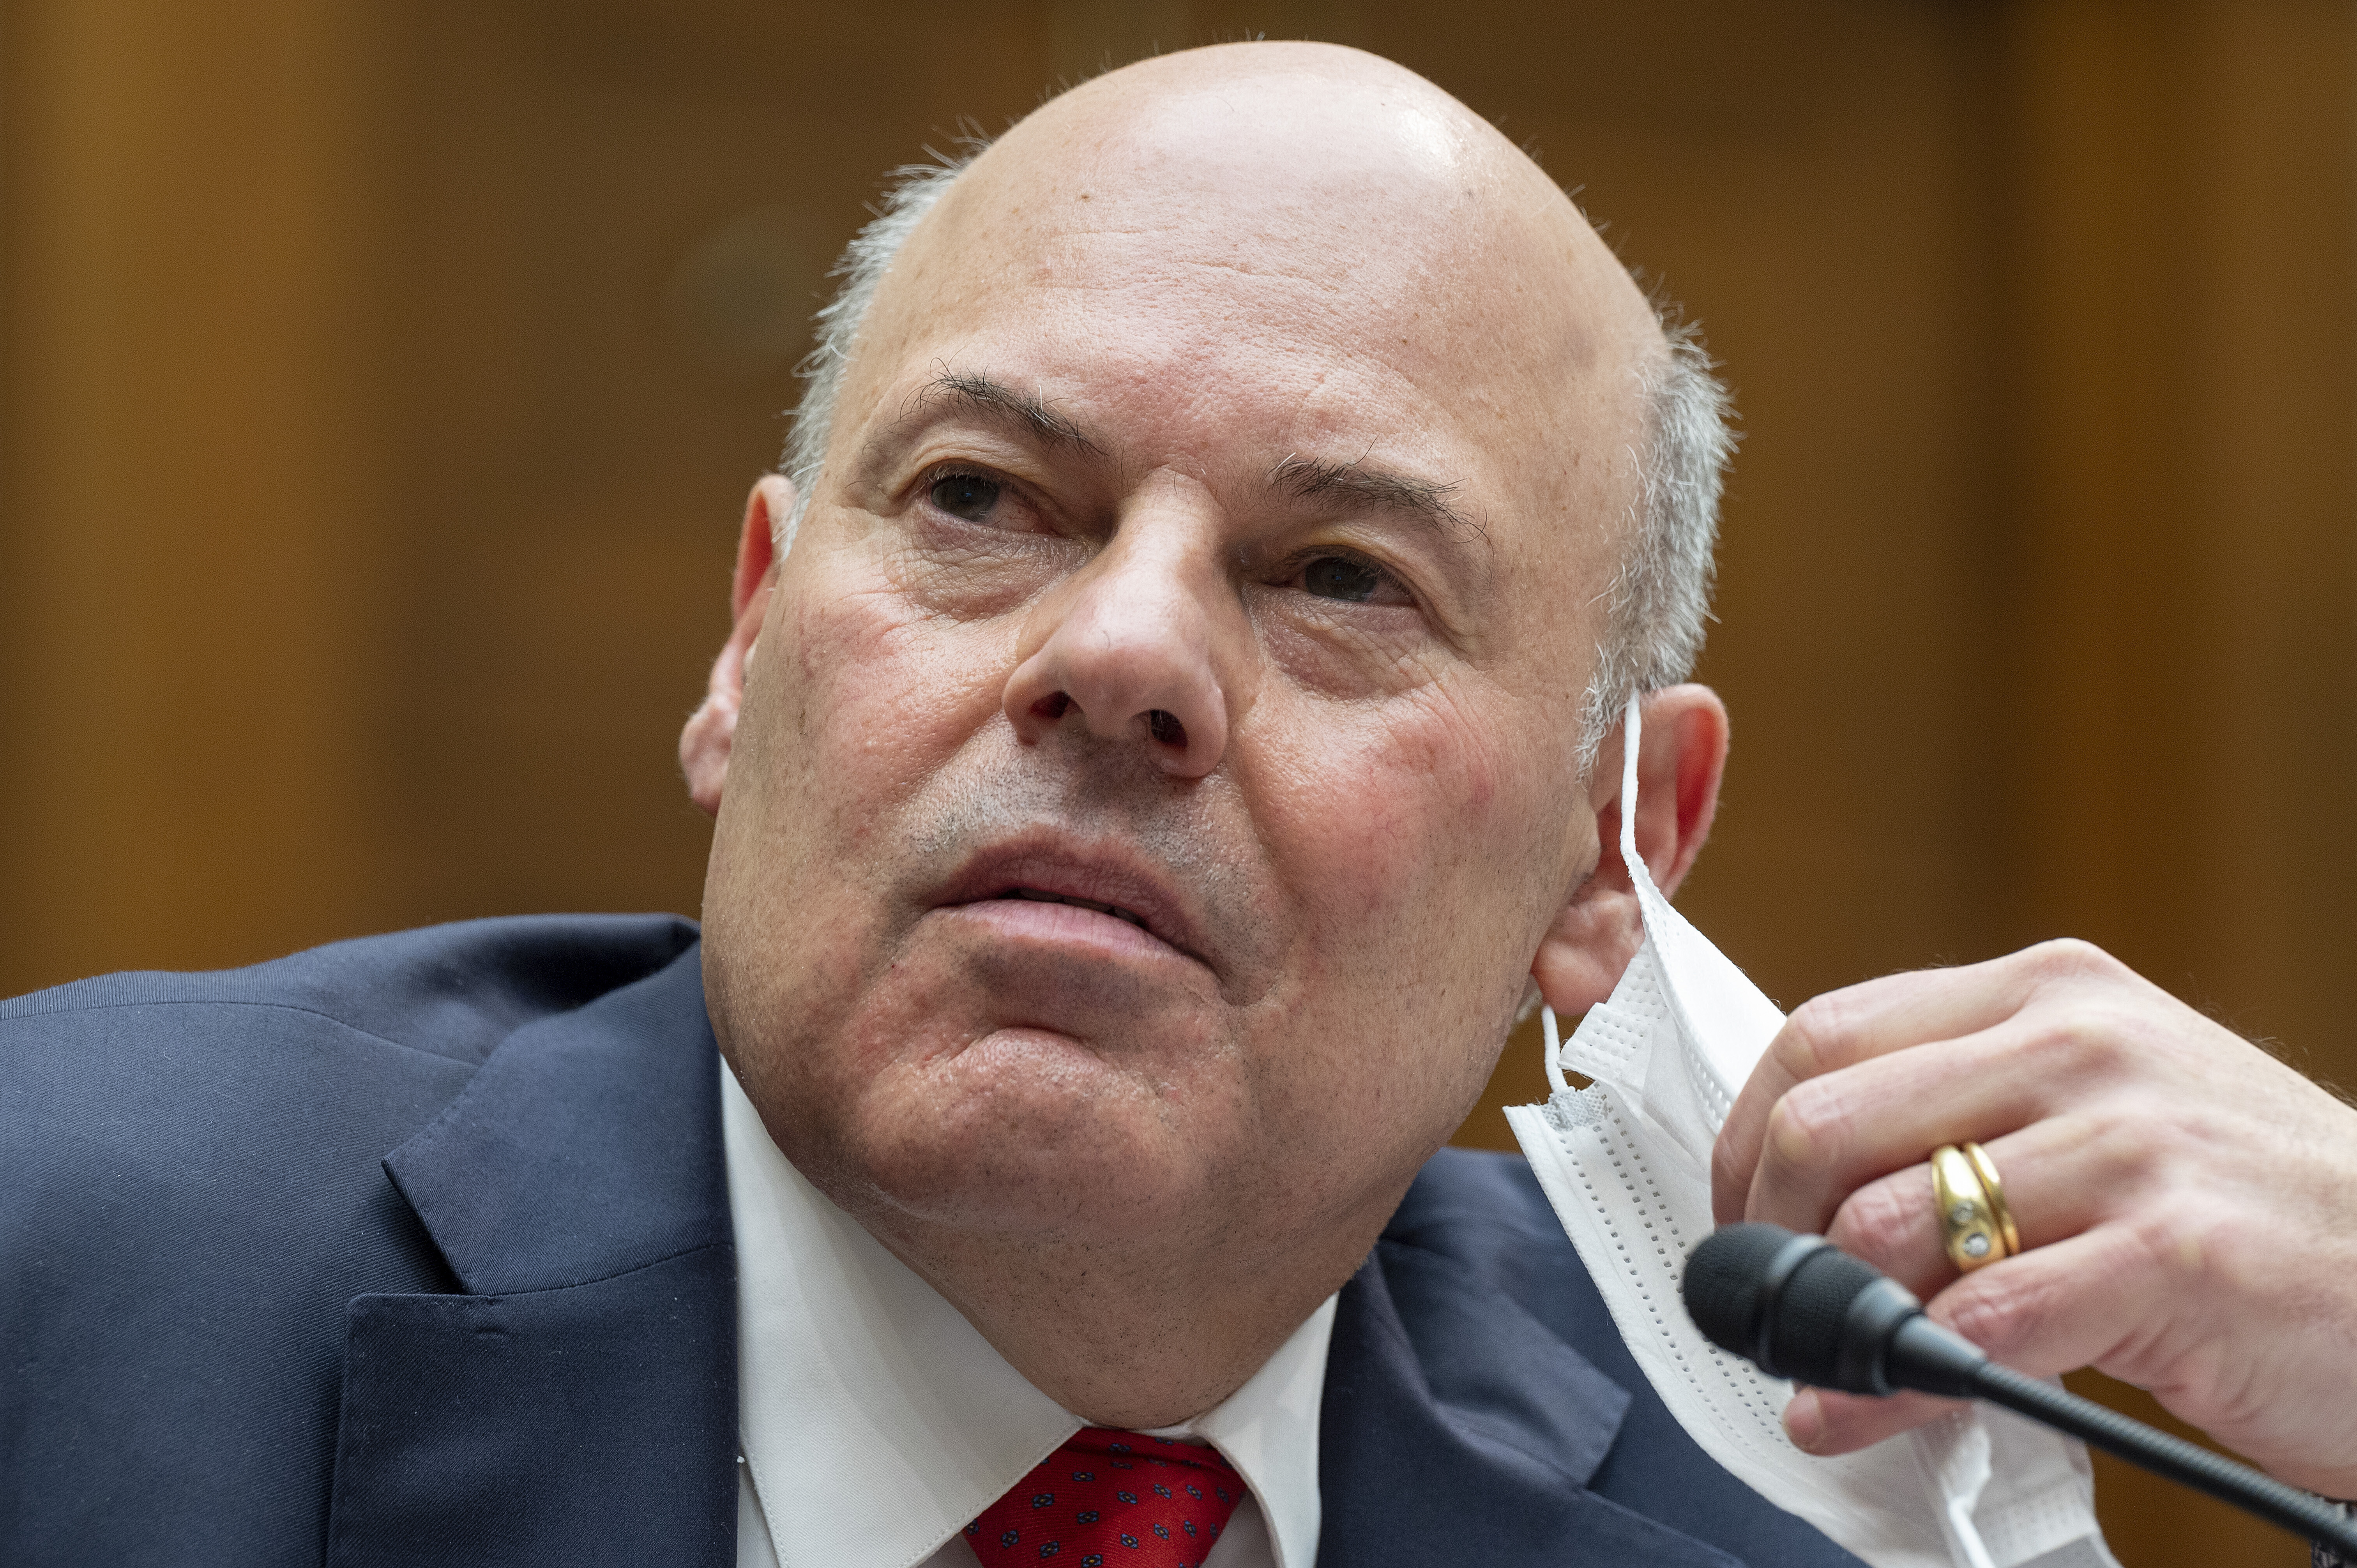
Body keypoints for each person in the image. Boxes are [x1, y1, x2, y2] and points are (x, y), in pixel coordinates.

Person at [3, 38, 2351, 1568]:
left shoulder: (1817, 1502)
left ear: (1612, 847)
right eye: (982, 497)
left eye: (1337, 574)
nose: (1117, 655)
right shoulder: (74, 1264)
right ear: (749, 639)